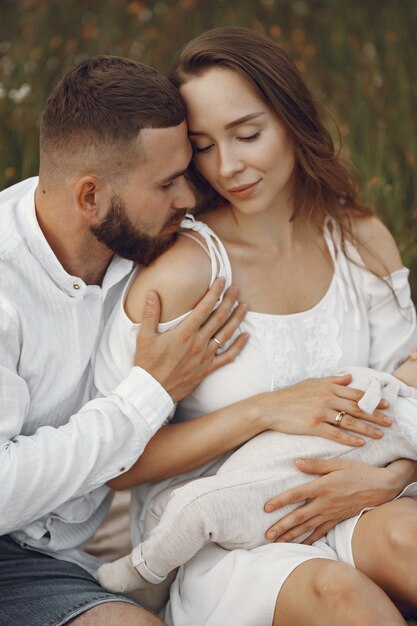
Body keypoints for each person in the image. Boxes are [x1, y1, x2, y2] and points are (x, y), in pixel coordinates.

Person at [93, 28, 417, 626]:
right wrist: (263, 410)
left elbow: (408, 394)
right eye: (204, 146)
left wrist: (388, 479)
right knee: (343, 598)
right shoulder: (185, 276)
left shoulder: (360, 242)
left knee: (409, 544)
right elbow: (114, 461)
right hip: (223, 536)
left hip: (358, 494)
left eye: (247, 134)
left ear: (292, 120)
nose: (229, 166)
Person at [0, 54, 251, 626]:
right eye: (166, 183)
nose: (188, 198)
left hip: (47, 560)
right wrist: (149, 391)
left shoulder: (148, 247)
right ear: (89, 197)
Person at [96, 356, 417, 595]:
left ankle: (144, 571)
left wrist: (397, 477)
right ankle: (157, 578)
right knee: (176, 506)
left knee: (199, 508)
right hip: (247, 467)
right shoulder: (385, 382)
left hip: (276, 495)